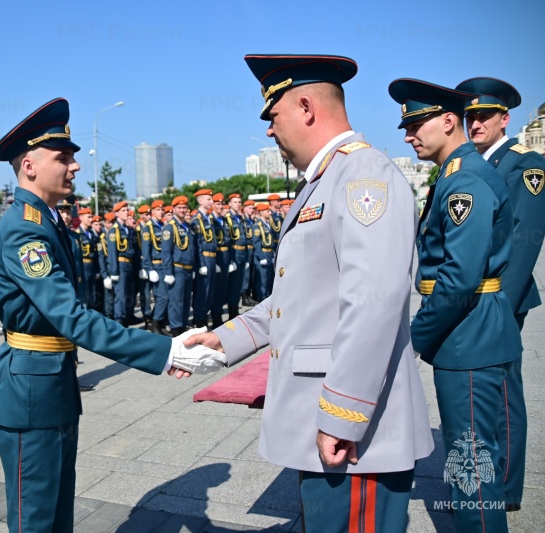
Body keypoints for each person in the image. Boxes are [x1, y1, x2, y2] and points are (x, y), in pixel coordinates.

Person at [184, 55, 434, 533]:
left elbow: (373, 304)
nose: (269, 132)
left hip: (356, 434)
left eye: (272, 116)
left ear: (305, 106)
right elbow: (295, 294)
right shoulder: (322, 182)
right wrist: (226, 339)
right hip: (328, 423)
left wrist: (343, 415)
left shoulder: (364, 178)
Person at [0, 97, 215, 532]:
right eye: (63, 158)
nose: (75, 167)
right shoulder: (23, 228)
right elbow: (71, 317)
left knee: (57, 512)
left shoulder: (48, 223)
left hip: (51, 383)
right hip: (29, 392)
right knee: (35, 517)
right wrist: (164, 350)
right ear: (29, 165)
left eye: (73, 157)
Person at [389, 78, 521, 531]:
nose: (408, 135)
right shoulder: (455, 174)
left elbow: (460, 278)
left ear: (448, 121)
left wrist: (413, 337)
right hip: (473, 332)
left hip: (468, 337)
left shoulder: (464, 180)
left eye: (415, 124)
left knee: (471, 470)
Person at [455, 77, 545, 513]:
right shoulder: (467, 164)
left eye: (484, 116)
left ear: (504, 118)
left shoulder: (524, 164)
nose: (476, 123)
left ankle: (505, 490)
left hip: (500, 302)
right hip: (469, 303)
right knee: (475, 398)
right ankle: (474, 485)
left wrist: (498, 308)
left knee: (504, 395)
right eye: (470, 115)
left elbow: (525, 246)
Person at [162, 196, 198, 336]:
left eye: (184, 208)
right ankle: (176, 328)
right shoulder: (169, 227)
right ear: (174, 209)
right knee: (176, 301)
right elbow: (166, 252)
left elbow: (192, 249)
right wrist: (168, 272)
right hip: (177, 269)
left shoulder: (188, 226)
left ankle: (183, 326)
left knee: (186, 300)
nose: (183, 210)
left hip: (188, 268)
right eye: (179, 208)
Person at [107, 201, 137, 325]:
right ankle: (120, 321)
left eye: (127, 210)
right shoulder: (115, 230)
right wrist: (114, 271)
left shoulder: (126, 229)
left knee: (129, 293)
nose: (127, 212)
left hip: (129, 265)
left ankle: (126, 318)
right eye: (123, 211)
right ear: (117, 213)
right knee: (121, 296)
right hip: (120, 265)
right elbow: (112, 252)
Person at [190, 189, 217, 328]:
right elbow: (198, 243)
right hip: (204, 258)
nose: (211, 202)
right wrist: (201, 263)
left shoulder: (208, 218)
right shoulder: (196, 219)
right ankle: (199, 320)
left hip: (211, 258)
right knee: (202, 291)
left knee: (210, 291)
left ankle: (204, 317)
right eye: (209, 199)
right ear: (200, 201)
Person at [144, 200, 168, 334]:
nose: (161, 212)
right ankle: (155, 325)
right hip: (156, 266)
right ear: (153, 211)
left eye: (162, 209)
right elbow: (145, 251)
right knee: (163, 297)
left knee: (163, 297)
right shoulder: (149, 228)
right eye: (159, 210)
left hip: (164, 265)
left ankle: (159, 323)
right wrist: (149, 269)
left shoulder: (162, 225)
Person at [225, 193, 248, 318]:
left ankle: (235, 309)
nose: (238, 204)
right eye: (235, 202)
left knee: (239, 284)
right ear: (229, 204)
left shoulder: (240, 218)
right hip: (234, 253)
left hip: (242, 253)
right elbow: (227, 241)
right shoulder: (228, 218)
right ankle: (231, 312)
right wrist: (230, 260)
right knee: (233, 285)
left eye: (239, 202)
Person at [209, 193, 231, 328]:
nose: (220, 206)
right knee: (215, 290)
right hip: (216, 257)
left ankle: (218, 316)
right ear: (212, 205)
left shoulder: (224, 220)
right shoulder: (211, 220)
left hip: (226, 256)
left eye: (222, 204)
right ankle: (215, 317)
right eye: (218, 204)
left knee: (223, 289)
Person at [76, 207, 101, 312]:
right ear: (81, 218)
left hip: (92, 266)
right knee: (84, 294)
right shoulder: (77, 234)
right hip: (83, 266)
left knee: (93, 294)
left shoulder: (91, 234)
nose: (91, 219)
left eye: (91, 217)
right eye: (89, 217)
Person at [251, 203, 275, 301]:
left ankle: (267, 301)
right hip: (263, 254)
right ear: (261, 213)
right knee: (263, 282)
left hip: (269, 253)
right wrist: (261, 257)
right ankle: (262, 302)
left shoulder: (267, 225)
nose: (270, 212)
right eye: (267, 211)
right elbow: (256, 243)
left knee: (269, 281)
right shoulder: (257, 226)